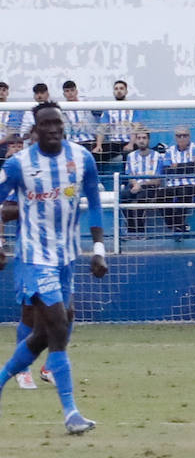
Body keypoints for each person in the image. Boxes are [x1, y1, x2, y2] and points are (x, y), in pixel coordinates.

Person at [0, 101, 107, 435]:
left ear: (64, 125)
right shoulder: (19, 164)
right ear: (35, 130)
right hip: (34, 257)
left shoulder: (82, 158)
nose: (52, 129)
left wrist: (99, 249)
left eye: (56, 123)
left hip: (67, 256)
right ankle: (71, 412)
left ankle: (1, 379)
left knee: (46, 333)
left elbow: (94, 202)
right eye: (45, 124)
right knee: (58, 325)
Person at [122, 128, 166, 238]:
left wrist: (141, 185)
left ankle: (141, 231)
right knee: (122, 196)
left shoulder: (157, 156)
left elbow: (157, 180)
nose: (141, 140)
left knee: (141, 197)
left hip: (149, 186)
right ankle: (131, 229)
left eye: (144, 138)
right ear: (136, 140)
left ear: (148, 140)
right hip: (134, 185)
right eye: (139, 138)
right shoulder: (131, 156)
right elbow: (129, 175)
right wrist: (135, 184)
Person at [162, 126, 195, 234]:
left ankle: (178, 225)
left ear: (189, 136)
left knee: (183, 191)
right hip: (173, 185)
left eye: (185, 135)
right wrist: (187, 166)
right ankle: (174, 225)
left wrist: (177, 166)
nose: (182, 138)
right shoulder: (169, 151)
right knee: (160, 195)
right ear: (175, 137)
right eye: (179, 136)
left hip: (193, 184)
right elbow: (166, 170)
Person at [94, 79, 138, 170]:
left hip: (128, 141)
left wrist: (131, 144)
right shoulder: (109, 109)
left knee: (128, 155)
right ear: (113, 92)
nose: (119, 91)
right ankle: (98, 179)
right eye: (116, 89)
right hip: (114, 143)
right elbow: (102, 128)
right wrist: (99, 145)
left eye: (121, 88)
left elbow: (136, 127)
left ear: (126, 91)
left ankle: (127, 179)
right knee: (95, 155)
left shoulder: (133, 108)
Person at [60, 80, 99, 153]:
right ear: (64, 94)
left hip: (89, 140)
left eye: (72, 90)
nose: (70, 93)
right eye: (67, 91)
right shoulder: (63, 110)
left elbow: (94, 125)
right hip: (73, 142)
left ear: (76, 92)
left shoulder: (86, 104)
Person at [0, 82, 22, 147]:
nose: (1, 92)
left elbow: (13, 131)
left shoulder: (13, 109)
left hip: (6, 144)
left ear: (7, 93)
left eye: (4, 90)